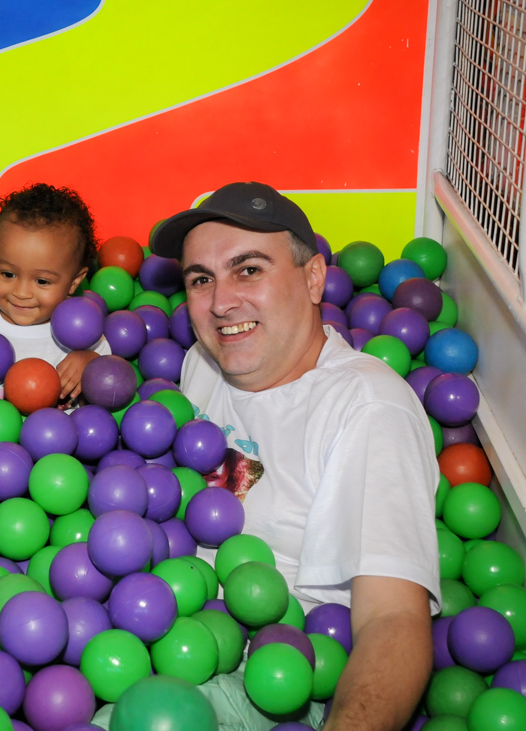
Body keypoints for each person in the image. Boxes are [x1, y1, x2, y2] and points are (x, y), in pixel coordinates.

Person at [149, 183, 439, 730]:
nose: (219, 302)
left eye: (249, 270)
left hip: (275, 669)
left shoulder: (366, 407)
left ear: (313, 278)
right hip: (162, 619)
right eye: (201, 279)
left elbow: (394, 619)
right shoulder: (201, 365)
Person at [0, 184, 111, 413]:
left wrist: (90, 363)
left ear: (74, 281)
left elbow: (112, 381)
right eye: (8, 274)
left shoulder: (84, 333)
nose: (21, 292)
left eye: (42, 281)